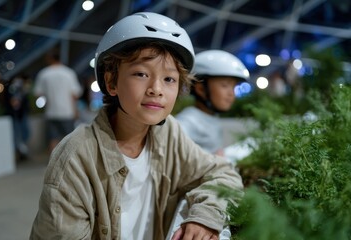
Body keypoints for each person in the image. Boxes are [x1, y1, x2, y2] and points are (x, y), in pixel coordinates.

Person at [30, 12, 243, 240]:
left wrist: (205, 216)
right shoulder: (76, 158)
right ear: (111, 82)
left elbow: (223, 173)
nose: (156, 89)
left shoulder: (167, 132)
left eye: (169, 79)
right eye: (141, 74)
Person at [176, 50, 250, 156]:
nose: (231, 94)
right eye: (225, 85)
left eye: (234, 87)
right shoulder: (189, 121)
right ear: (201, 89)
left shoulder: (210, 117)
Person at [33, 50, 82, 153]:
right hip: (67, 112)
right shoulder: (69, 73)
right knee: (70, 139)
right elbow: (75, 94)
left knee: (53, 139)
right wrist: (76, 110)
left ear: (50, 59)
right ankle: (70, 162)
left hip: (51, 112)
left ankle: (53, 163)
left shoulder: (44, 74)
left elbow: (38, 93)